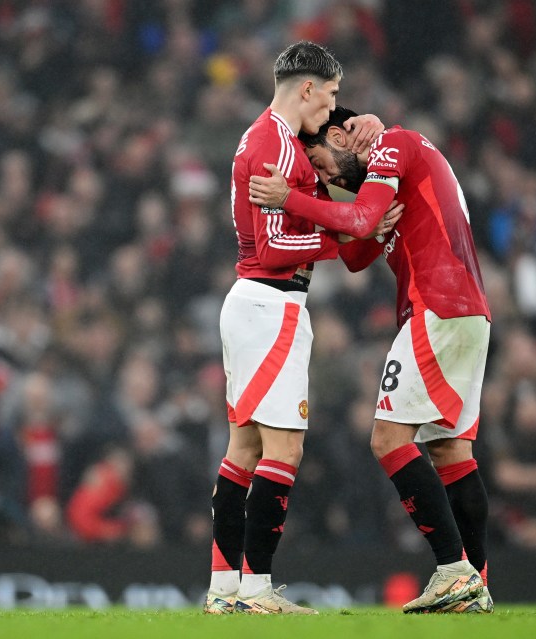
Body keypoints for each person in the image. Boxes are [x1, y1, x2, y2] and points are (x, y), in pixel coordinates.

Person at [249, 106, 494, 614]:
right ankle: (475, 586)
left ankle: (453, 571)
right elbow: (358, 253)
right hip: (466, 312)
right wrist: (333, 208)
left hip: (437, 304)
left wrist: (289, 198)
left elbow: (360, 223)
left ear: (342, 134)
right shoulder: (387, 173)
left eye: (321, 162)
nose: (326, 177)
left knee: (387, 438)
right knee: (451, 453)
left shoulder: (394, 144)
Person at [206, 42, 393, 615]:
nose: (334, 108)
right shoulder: (275, 147)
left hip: (255, 305)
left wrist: (367, 119)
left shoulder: (271, 134)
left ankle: (223, 590)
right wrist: (349, 236)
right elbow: (274, 247)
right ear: (307, 88)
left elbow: (336, 132)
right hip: (271, 303)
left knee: (244, 448)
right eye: (331, 95)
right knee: (283, 449)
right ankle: (258, 591)